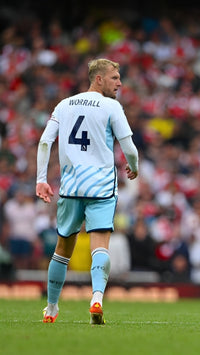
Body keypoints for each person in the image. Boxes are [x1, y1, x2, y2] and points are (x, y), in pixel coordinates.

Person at [36, 58, 139, 324]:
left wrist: (41, 179)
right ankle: (96, 298)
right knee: (100, 246)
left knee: (62, 249)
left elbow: (46, 141)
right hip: (101, 187)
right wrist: (134, 166)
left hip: (71, 187)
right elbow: (129, 147)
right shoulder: (111, 106)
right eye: (115, 77)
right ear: (99, 79)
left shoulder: (64, 104)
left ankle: (51, 308)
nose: (120, 83)